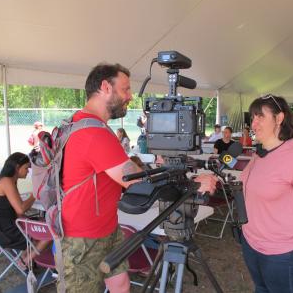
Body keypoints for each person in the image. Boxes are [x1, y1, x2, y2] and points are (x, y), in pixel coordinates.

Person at [60, 63, 217, 293]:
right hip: (83, 238)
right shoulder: (94, 133)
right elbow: (136, 181)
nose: (130, 97)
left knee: (120, 284)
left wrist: (160, 167)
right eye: (125, 89)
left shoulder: (83, 123)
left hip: (106, 228)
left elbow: (125, 168)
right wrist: (194, 184)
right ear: (105, 87)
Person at [239, 95, 293, 293]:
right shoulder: (259, 153)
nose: (254, 123)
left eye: (260, 117)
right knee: (261, 288)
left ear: (279, 119)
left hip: (279, 249)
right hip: (250, 241)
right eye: (253, 117)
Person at [0, 152, 49, 269]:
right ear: (17, 167)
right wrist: (34, 194)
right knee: (50, 232)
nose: (27, 171)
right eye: (26, 168)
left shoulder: (4, 180)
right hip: (4, 232)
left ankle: (23, 258)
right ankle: (25, 261)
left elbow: (17, 212)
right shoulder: (7, 181)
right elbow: (21, 209)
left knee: (40, 224)